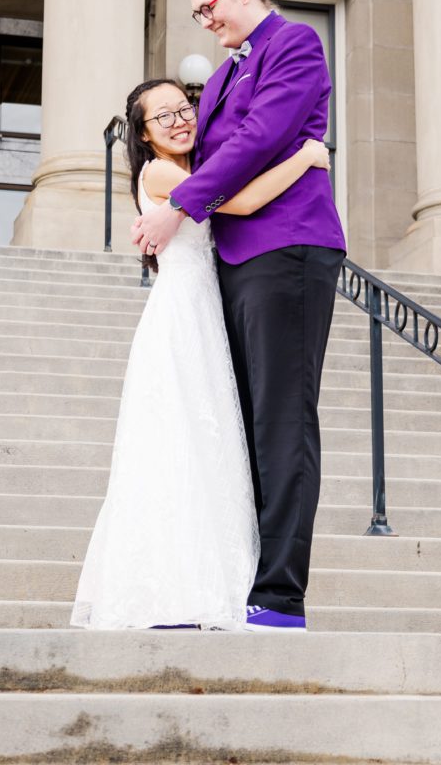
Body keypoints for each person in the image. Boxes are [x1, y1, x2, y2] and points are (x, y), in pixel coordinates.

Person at [131, 0, 347, 631]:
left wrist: (180, 206)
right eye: (196, 16)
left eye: (206, 9)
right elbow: (213, 154)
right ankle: (232, 577)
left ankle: (279, 596)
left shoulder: (297, 44)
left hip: (289, 251)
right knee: (242, 426)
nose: (204, 23)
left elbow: (258, 139)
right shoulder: (222, 75)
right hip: (231, 260)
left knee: (282, 419)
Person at [71, 77, 332, 631]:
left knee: (205, 445)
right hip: (181, 316)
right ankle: (170, 592)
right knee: (180, 442)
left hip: (206, 312)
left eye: (183, 108)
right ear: (142, 135)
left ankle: (203, 582)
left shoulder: (186, 170)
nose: (179, 120)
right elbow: (240, 200)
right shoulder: (163, 173)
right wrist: (307, 157)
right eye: (161, 117)